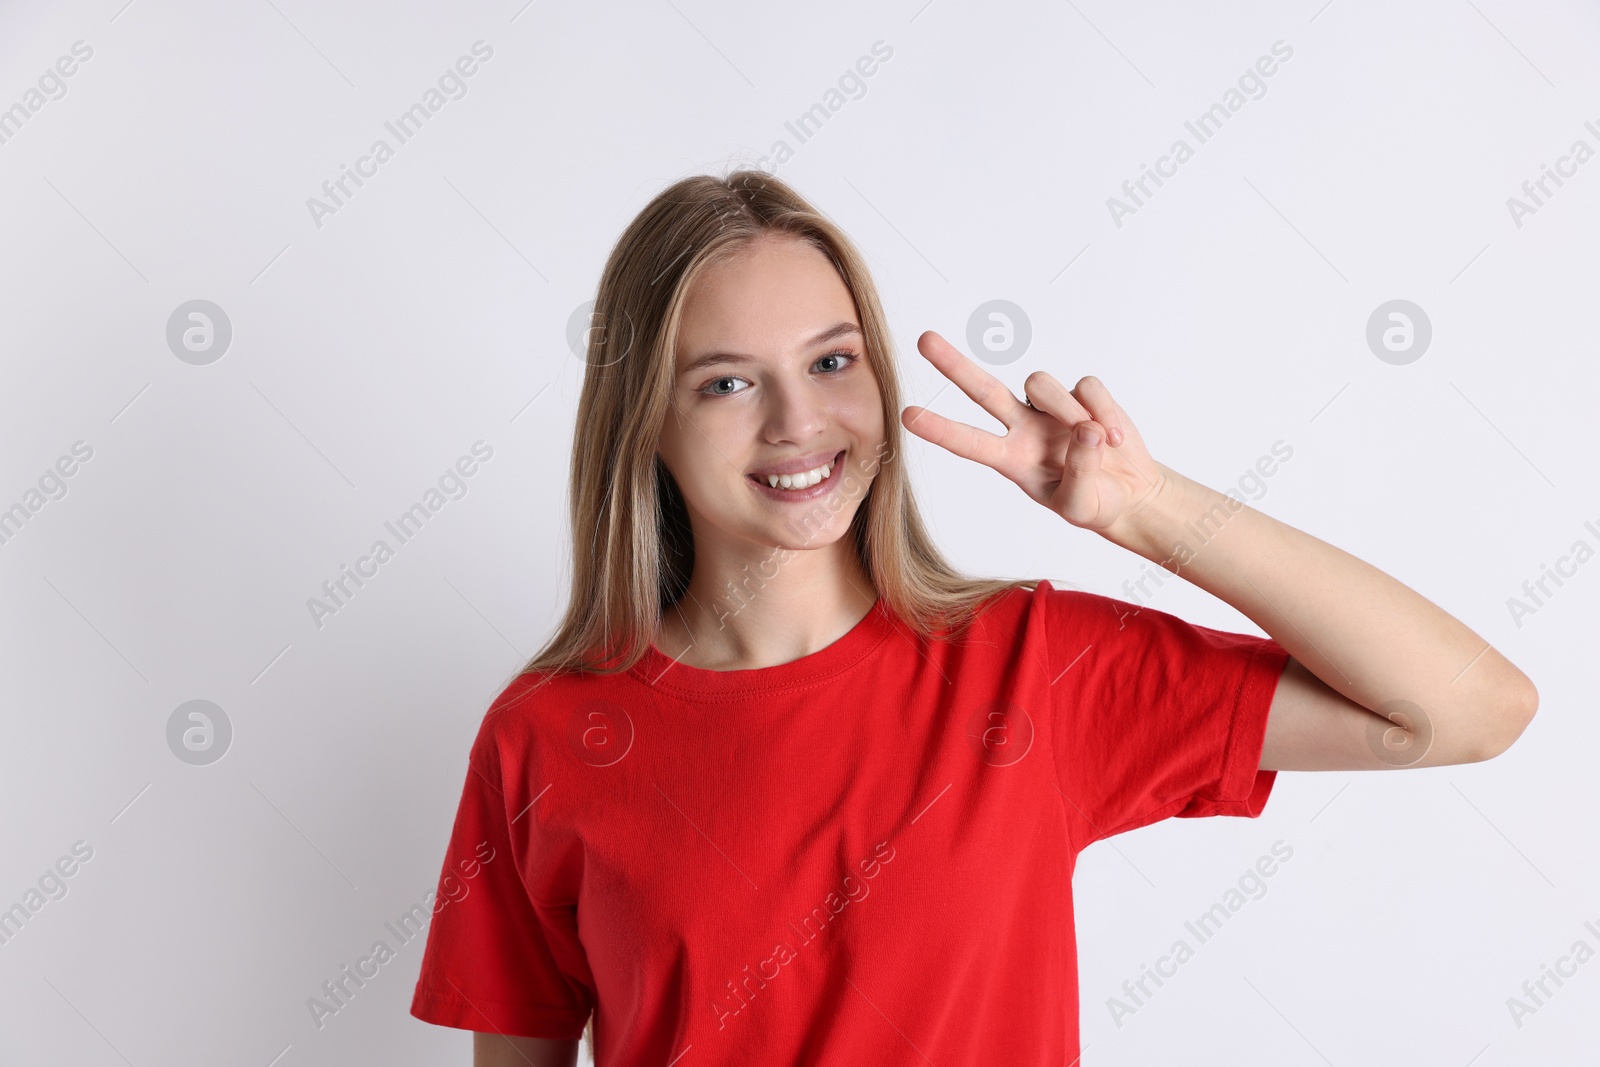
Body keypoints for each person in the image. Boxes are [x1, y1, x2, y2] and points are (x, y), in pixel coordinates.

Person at [407, 170, 1538, 1066]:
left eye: (831, 360)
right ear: (643, 419)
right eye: (726, 382)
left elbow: (1468, 710)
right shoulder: (545, 736)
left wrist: (1149, 512)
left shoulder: (1032, 668)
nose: (799, 421)